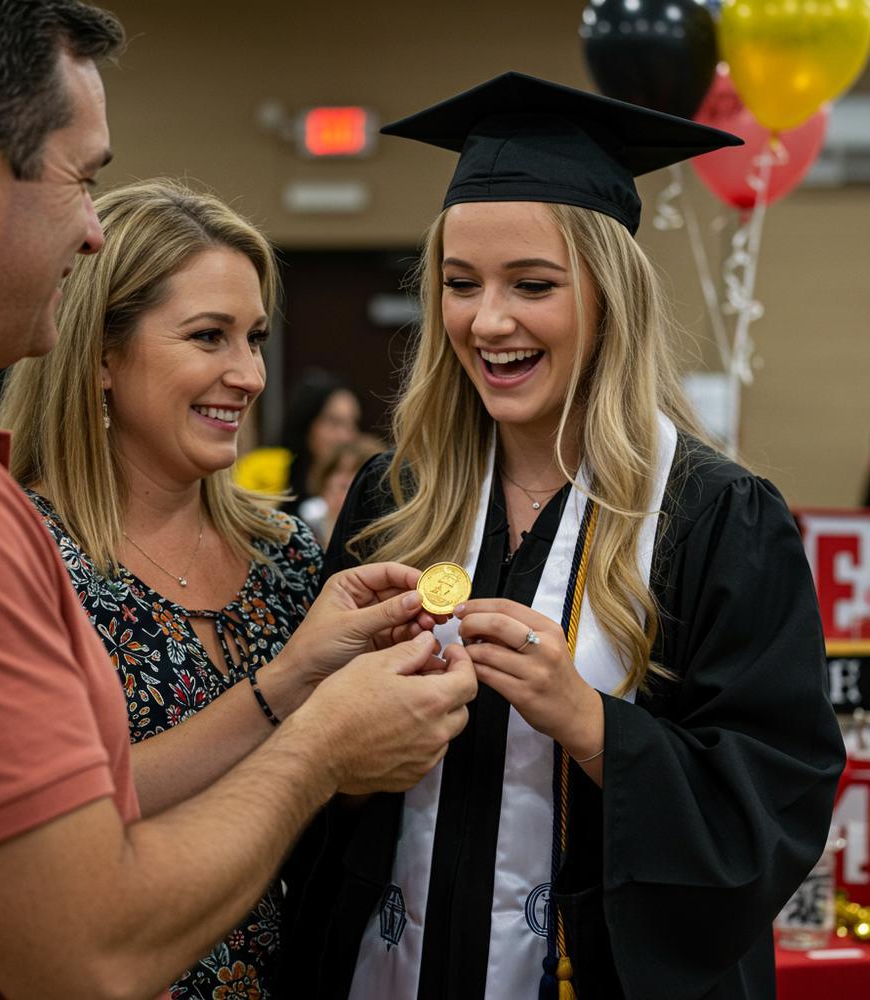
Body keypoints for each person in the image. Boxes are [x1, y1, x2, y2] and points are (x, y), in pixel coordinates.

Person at [0, 4, 476, 998]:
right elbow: (87, 948)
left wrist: (293, 681)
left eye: (255, 337)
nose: (91, 227)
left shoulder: (277, 554)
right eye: (83, 178)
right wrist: (321, 744)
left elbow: (60, 808)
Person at [285, 73, 847, 1000]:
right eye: (460, 285)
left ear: (609, 297)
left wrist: (591, 726)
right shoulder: (398, 498)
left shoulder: (713, 518)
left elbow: (773, 810)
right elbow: (316, 789)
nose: (488, 321)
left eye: (533, 284)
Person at [0, 177, 371, 997]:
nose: (249, 375)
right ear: (101, 353)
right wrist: (287, 692)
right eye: (208, 337)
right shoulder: (24, 553)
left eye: (256, 339)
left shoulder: (286, 556)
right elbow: (74, 815)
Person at [235, 371, 362, 516]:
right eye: (334, 422)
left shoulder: (354, 480)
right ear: (307, 422)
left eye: (352, 424)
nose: (345, 437)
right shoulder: (264, 468)